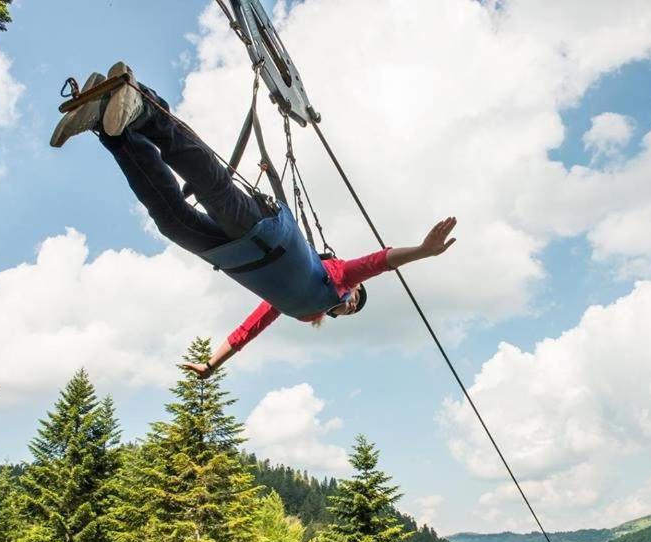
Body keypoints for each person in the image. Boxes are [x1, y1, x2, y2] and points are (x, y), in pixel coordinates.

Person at [52, 62, 457, 377]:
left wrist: (212, 363)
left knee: (171, 221)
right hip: (265, 234)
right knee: (211, 185)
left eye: (349, 312)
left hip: (232, 255)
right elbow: (378, 262)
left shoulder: (298, 307)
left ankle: (111, 128)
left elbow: (250, 329)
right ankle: (142, 108)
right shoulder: (335, 279)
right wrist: (423, 251)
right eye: (354, 302)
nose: (348, 306)